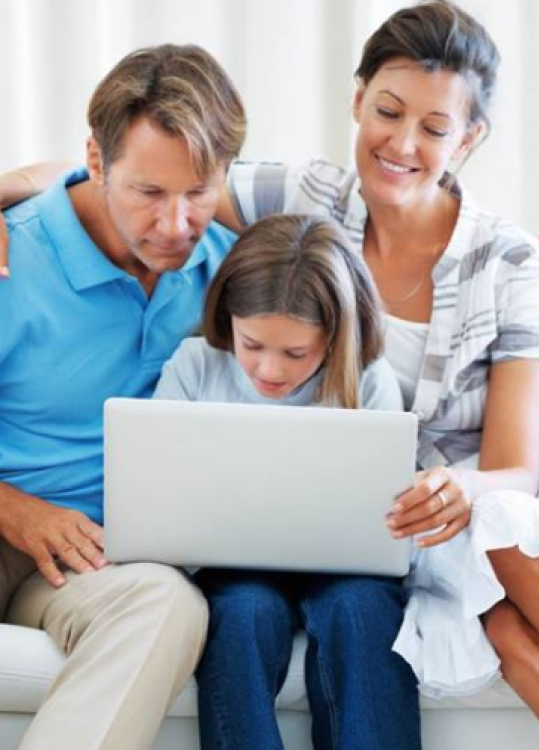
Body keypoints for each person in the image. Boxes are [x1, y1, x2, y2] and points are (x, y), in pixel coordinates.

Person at [206, 3, 539, 747]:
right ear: (357, 99)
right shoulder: (306, 200)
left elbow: (514, 467)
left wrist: (468, 488)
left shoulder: (512, 262)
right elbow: (153, 176)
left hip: (501, 491)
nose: (402, 144)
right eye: (387, 112)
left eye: (435, 128)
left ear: (470, 138)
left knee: (502, 535)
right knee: (513, 639)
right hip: (412, 520)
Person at [0, 43, 245, 749]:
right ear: (98, 162)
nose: (176, 227)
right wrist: (18, 512)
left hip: (92, 561)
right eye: (148, 193)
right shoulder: (14, 254)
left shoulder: (231, 274)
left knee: (168, 605)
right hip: (5, 520)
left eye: (198, 193)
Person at [153, 212, 420, 750]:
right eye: (252, 344)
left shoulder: (368, 381)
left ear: (337, 337)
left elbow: (387, 525)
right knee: (241, 611)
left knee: (363, 609)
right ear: (228, 319)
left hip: (348, 570)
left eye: (296, 353)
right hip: (231, 568)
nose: (270, 371)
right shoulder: (194, 366)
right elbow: (160, 495)